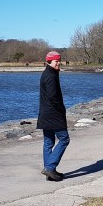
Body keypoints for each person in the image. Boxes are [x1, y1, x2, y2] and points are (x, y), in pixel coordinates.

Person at [37, 51, 69, 181]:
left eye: (59, 61)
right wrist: (61, 109)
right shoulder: (50, 76)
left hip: (45, 113)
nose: (59, 63)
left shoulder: (48, 73)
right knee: (64, 139)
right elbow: (53, 97)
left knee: (48, 142)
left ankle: (50, 172)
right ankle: (50, 168)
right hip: (53, 114)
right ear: (49, 62)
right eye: (56, 61)